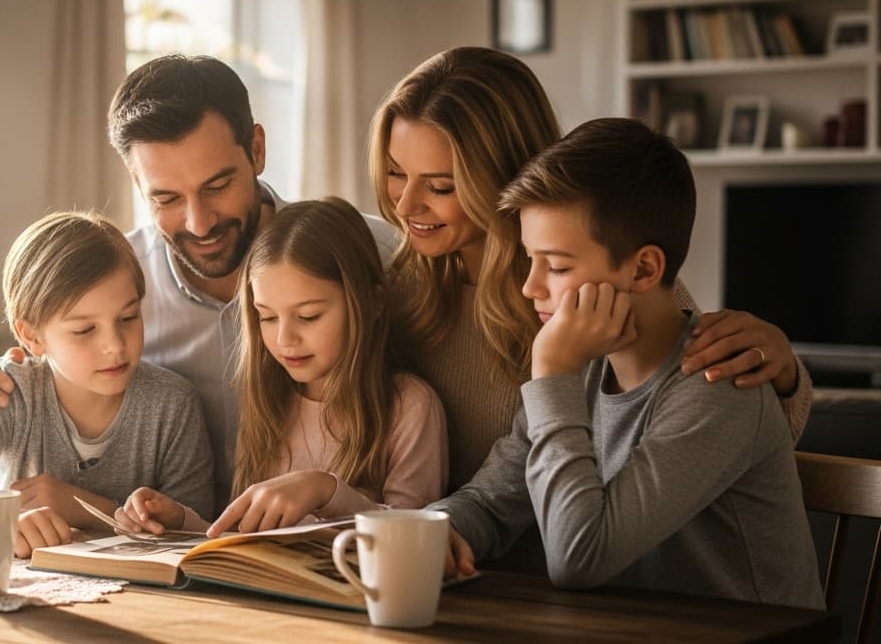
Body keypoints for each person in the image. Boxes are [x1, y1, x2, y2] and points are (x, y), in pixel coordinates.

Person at [0, 55, 399, 507]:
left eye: (217, 185)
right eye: (166, 197)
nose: (199, 223)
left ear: (257, 150)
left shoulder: (374, 256)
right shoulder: (112, 279)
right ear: (136, 181)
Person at [367, 46, 813, 492]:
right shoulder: (397, 284)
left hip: (580, 551)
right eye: (394, 172)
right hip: (451, 545)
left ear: (506, 176)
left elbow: (726, 433)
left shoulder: (591, 278)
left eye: (441, 186)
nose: (405, 206)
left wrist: (782, 373)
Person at [431, 118, 823, 610]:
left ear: (642, 269)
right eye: (530, 260)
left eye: (556, 266)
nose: (531, 287)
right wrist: (428, 532)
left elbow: (580, 558)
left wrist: (552, 376)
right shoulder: (588, 368)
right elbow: (489, 503)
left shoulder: (717, 383)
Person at [0, 211, 212, 558]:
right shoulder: (8, 392)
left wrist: (83, 506)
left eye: (128, 317)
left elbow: (199, 535)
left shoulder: (172, 404)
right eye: (85, 330)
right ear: (31, 336)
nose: (115, 345)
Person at [115, 198, 448, 537]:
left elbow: (412, 538)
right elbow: (241, 536)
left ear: (372, 303)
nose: (285, 339)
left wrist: (324, 490)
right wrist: (177, 521)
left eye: (308, 316)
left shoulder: (411, 406)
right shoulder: (269, 402)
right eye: (268, 317)